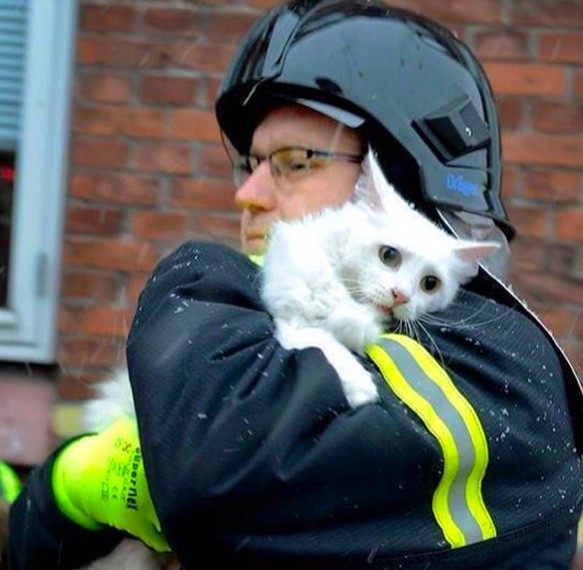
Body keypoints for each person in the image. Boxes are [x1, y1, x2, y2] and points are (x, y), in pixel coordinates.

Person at [8, 0, 583, 568]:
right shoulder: (264, 327)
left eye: (295, 160)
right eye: (249, 163)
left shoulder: (495, 361)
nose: (248, 194)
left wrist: (198, 277)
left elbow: (213, 470)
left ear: (394, 184)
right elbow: (26, 545)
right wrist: (64, 490)